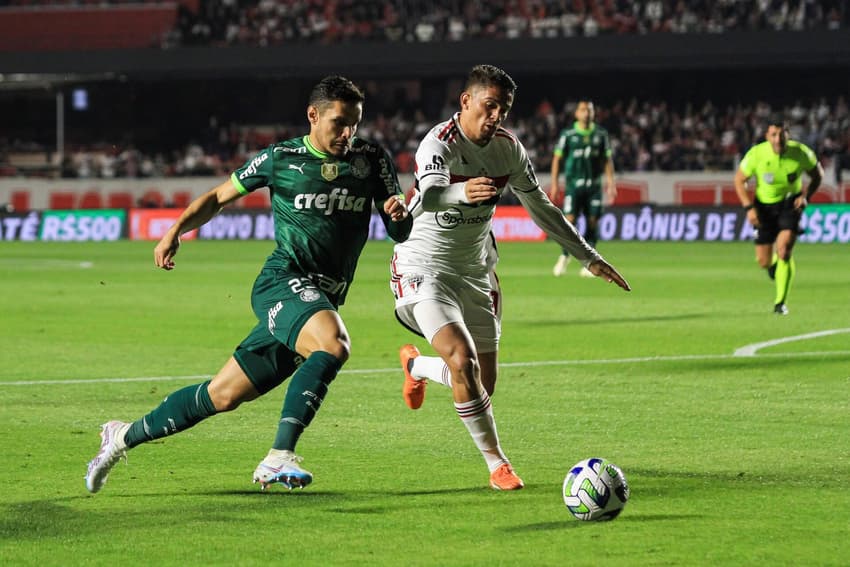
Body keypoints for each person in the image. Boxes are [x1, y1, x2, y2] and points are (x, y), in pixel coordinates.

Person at [85, 75, 412, 494]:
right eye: (338, 122)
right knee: (333, 345)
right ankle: (278, 457)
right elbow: (220, 197)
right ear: (313, 115)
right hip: (284, 281)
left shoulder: (372, 160)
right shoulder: (281, 158)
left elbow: (399, 230)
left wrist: (399, 216)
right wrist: (175, 230)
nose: (348, 134)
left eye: (354, 124)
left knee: (221, 395)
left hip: (319, 298)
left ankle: (120, 436)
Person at [389, 65, 630, 491]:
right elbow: (426, 197)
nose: (496, 115)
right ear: (466, 101)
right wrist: (462, 192)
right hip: (423, 267)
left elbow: (541, 208)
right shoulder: (438, 144)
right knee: (462, 360)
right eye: (489, 105)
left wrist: (588, 257)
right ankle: (497, 464)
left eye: (503, 108)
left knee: (483, 383)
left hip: (476, 270)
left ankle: (417, 366)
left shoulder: (508, 150)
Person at [734, 115, 822, 315]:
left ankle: (780, 303)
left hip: (790, 204)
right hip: (763, 208)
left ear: (787, 135)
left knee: (784, 250)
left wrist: (806, 195)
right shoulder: (756, 154)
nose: (777, 139)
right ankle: (776, 267)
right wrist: (749, 208)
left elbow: (818, 175)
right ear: (767, 135)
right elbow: (739, 180)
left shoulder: (801, 153)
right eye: (773, 135)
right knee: (763, 262)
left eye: (781, 134)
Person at [549, 101, 617, 277]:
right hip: (574, 186)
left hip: (594, 186)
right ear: (576, 114)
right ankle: (564, 256)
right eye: (583, 110)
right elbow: (557, 158)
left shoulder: (601, 134)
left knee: (593, 222)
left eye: (589, 110)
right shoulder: (568, 134)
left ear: (593, 114)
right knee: (570, 221)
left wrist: (611, 182)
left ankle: (591, 261)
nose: (586, 113)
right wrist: (555, 183)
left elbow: (607, 160)